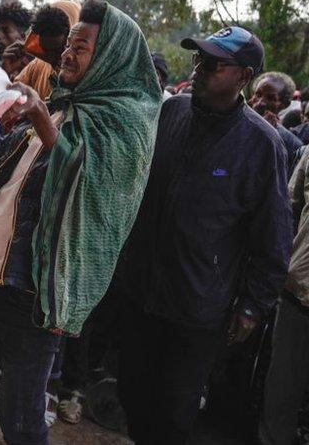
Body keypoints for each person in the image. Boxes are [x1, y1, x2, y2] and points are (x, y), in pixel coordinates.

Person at [0, 0, 161, 445]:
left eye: (81, 46)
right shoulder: (60, 105)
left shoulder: (125, 126)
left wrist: (40, 117)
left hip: (33, 294)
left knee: (21, 418)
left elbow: (89, 184)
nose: (66, 53)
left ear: (109, 58)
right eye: (70, 43)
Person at [118, 26, 290, 445]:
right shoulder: (170, 112)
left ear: (243, 77)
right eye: (198, 59)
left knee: (174, 417)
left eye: (212, 63)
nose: (199, 69)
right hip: (139, 295)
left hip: (196, 311)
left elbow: (273, 240)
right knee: (132, 398)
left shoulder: (262, 146)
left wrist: (251, 307)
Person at [261, 148, 309, 445]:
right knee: (284, 385)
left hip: (300, 285)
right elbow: (287, 207)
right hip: (301, 289)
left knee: (285, 384)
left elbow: (288, 205)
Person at [11, 1, 80, 100]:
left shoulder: (88, 71)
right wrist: (5, 70)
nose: (51, 58)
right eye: (46, 51)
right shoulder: (36, 66)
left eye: (58, 50)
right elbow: (12, 98)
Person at [251, 71, 303, 174]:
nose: (260, 102)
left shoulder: (291, 144)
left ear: (284, 104)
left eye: (270, 98)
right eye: (258, 94)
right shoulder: (233, 123)